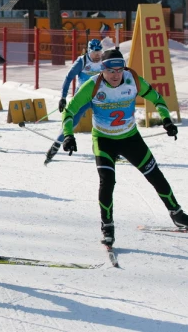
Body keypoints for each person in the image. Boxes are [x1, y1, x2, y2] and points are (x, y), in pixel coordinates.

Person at [61, 49, 188, 246]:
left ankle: (177, 213)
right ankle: (107, 225)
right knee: (107, 182)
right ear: (102, 70)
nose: (116, 75)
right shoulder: (92, 86)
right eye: (111, 71)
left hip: (130, 138)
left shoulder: (133, 80)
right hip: (104, 140)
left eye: (119, 70)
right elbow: (69, 110)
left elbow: (157, 98)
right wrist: (68, 135)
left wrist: (167, 121)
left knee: (155, 176)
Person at [45, 39, 104, 165]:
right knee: (72, 122)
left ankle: (108, 150)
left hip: (99, 97)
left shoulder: (104, 61)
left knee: (106, 122)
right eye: (95, 53)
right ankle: (55, 146)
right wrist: (63, 97)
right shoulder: (82, 61)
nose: (97, 56)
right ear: (89, 51)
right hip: (82, 97)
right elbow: (68, 78)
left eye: (99, 52)